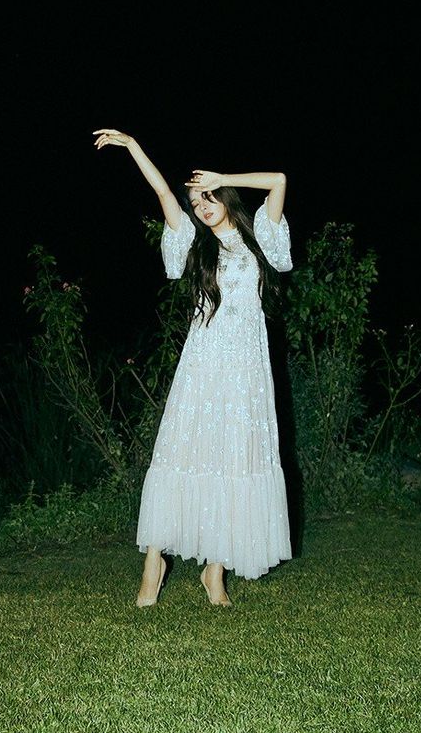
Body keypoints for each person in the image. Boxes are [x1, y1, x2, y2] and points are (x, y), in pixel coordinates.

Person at [93, 127, 293, 607]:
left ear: (225, 195)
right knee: (183, 451)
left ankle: (214, 571)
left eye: (209, 197)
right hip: (204, 363)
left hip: (247, 366)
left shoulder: (261, 235)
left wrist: (224, 175)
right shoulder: (192, 242)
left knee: (234, 457)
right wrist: (134, 146)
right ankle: (153, 562)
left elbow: (279, 179)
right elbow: (162, 191)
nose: (201, 205)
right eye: (196, 200)